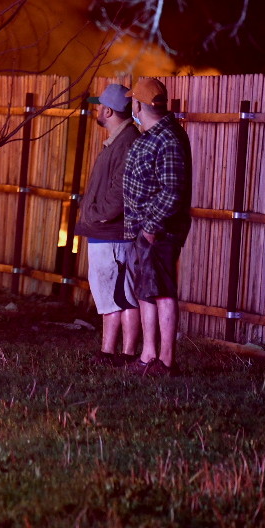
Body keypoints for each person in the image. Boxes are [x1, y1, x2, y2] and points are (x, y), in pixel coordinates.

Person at [122, 77, 193, 376]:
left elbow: (173, 190)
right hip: (144, 229)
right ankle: (148, 355)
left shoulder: (169, 139)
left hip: (159, 231)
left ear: (139, 104)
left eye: (133, 103)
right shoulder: (151, 136)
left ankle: (166, 361)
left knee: (162, 292)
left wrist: (150, 227)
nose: (132, 108)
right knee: (146, 291)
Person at [74, 83, 140, 364]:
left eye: (100, 105)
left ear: (108, 110)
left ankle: (119, 353)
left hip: (112, 233)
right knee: (114, 294)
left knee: (119, 294)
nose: (97, 110)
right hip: (110, 231)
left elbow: (119, 193)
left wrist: (95, 215)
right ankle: (112, 352)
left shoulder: (125, 144)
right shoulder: (121, 141)